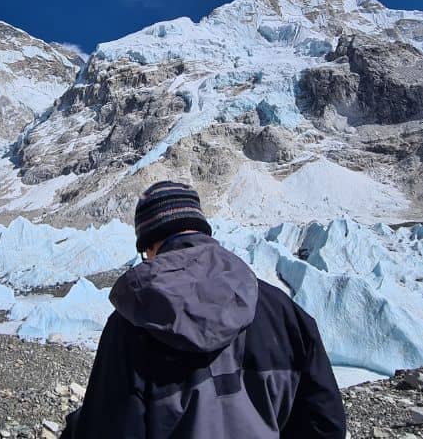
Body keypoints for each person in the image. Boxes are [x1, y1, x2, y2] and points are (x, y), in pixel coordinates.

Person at [61, 181, 346, 438]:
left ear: (150, 245)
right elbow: (325, 422)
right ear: (201, 230)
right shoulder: (280, 309)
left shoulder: (130, 325)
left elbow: (112, 430)